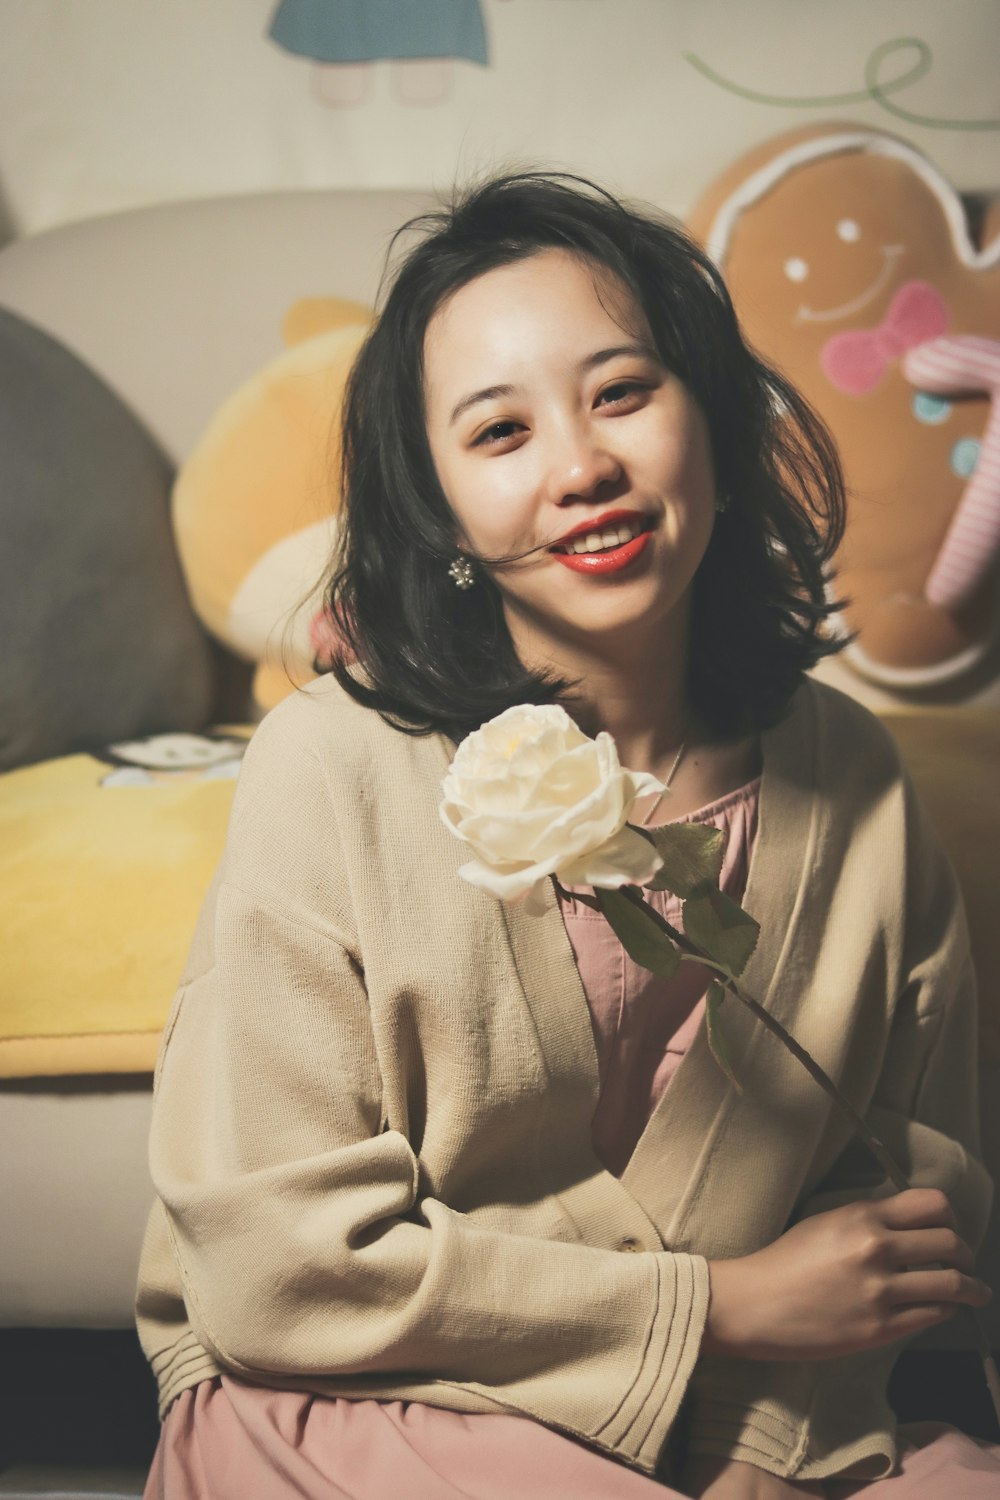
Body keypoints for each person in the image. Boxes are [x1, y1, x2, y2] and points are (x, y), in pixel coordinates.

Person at [137, 172, 997, 1498]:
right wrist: (712, 1309)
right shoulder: (331, 767)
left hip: (757, 1416)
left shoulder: (855, 778)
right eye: (498, 433)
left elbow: (906, 1206)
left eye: (622, 393)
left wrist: (759, 1456)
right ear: (445, 518)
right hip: (354, 1391)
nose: (582, 467)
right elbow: (275, 1272)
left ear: (711, 417)